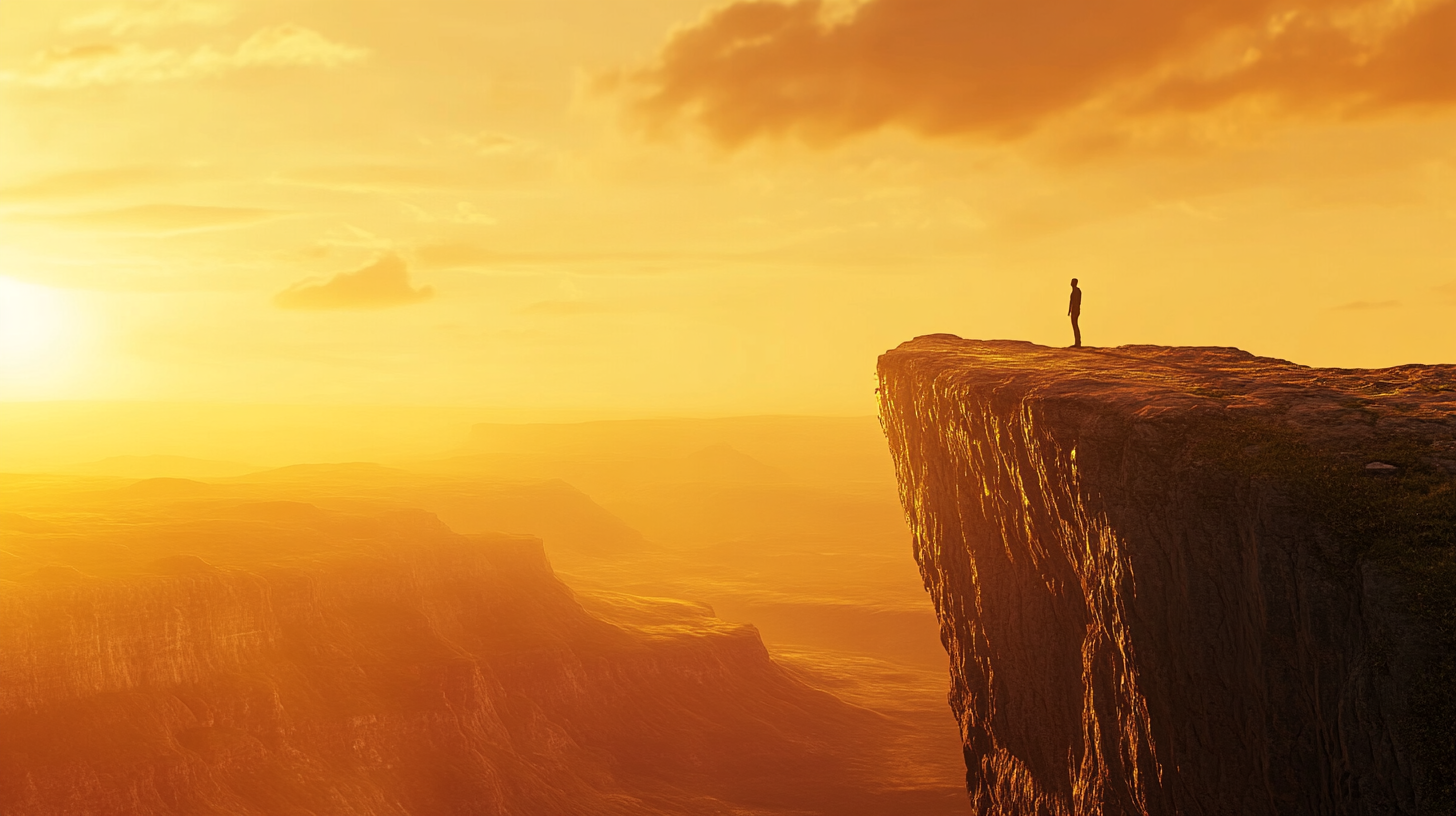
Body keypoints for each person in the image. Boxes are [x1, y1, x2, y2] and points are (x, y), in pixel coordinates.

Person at [1068, 278, 1082, 348]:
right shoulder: (1074, 291)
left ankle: (1078, 342)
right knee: (1074, 325)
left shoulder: (1077, 291)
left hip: (1075, 310)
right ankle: (1077, 342)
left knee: (1075, 325)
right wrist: (1069, 310)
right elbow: (1071, 302)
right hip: (1073, 310)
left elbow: (1077, 302)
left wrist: (1074, 310)